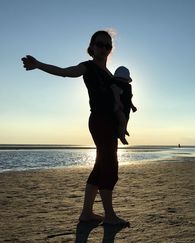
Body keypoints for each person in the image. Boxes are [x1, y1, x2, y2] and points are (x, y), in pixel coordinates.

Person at [21, 30, 130, 226]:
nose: (104, 48)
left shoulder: (109, 74)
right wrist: (38, 65)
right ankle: (110, 216)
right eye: (100, 44)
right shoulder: (87, 67)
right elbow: (65, 72)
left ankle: (86, 213)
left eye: (108, 45)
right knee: (110, 167)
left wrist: (122, 123)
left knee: (100, 167)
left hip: (109, 123)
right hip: (99, 121)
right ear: (91, 47)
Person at [110, 66, 137, 139]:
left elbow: (129, 98)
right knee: (122, 120)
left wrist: (132, 106)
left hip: (126, 107)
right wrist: (118, 102)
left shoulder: (127, 87)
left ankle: (124, 129)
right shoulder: (115, 85)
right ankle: (121, 136)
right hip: (119, 107)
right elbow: (116, 95)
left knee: (126, 119)